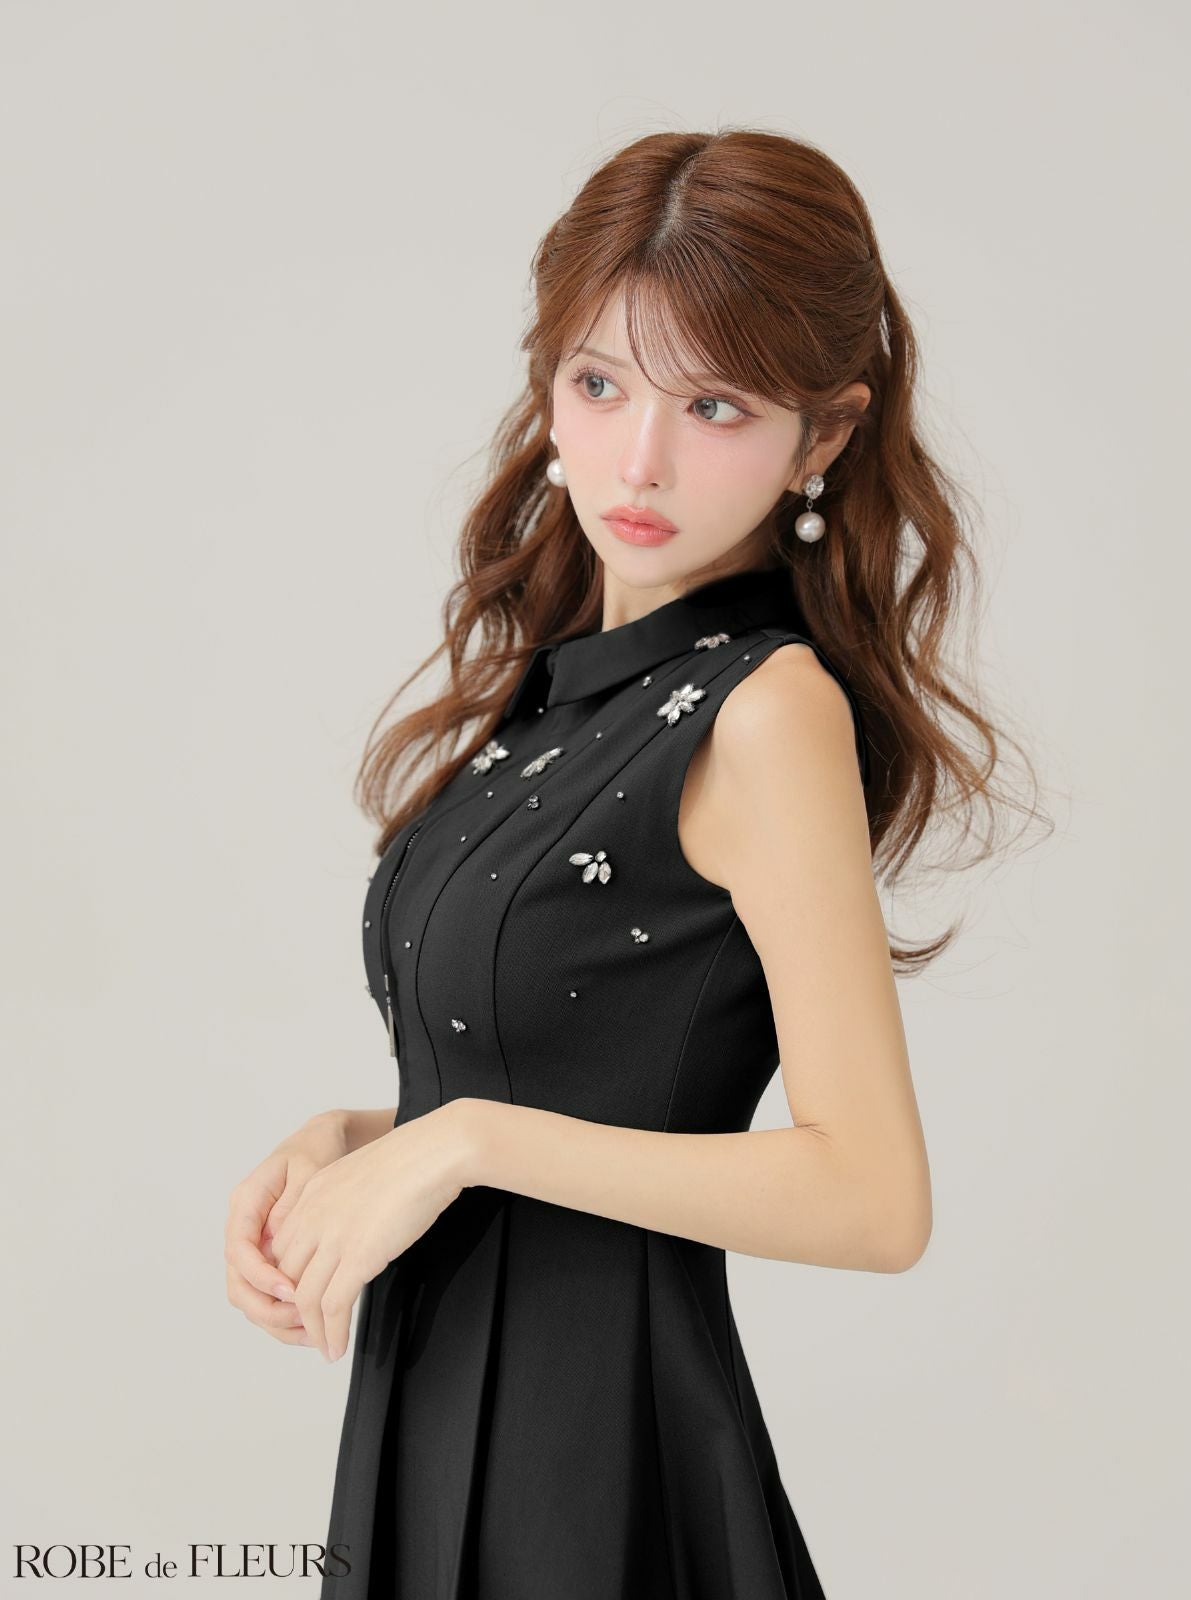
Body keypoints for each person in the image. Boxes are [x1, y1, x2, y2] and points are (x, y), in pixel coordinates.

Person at [224, 128, 1041, 1598]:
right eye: (600, 384)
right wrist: (365, 1139)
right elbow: (583, 1086)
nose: (640, 459)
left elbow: (874, 1198)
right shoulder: (555, 697)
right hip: (433, 1424)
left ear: (825, 437)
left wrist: (461, 1143)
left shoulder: (763, 712)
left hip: (594, 1474)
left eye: (714, 404)